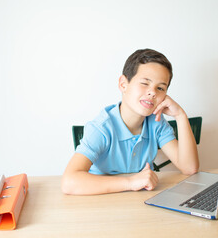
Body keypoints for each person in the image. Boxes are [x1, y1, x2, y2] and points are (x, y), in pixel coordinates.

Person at [61, 49, 199, 195]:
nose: (153, 92)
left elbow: (189, 168)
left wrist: (180, 115)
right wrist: (131, 182)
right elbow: (69, 183)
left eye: (160, 88)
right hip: (101, 200)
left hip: (140, 201)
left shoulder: (156, 122)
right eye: (145, 83)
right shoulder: (101, 128)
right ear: (123, 84)